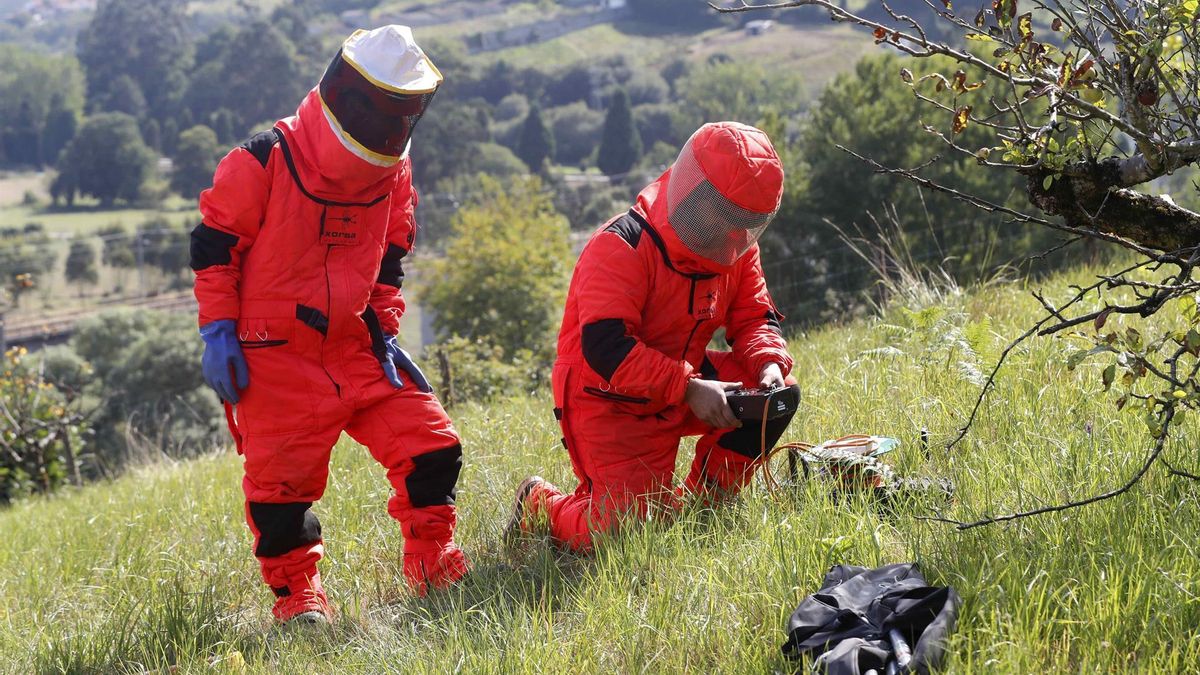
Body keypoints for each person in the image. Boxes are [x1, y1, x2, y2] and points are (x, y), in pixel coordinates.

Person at [189, 25, 467, 625]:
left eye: (406, 110)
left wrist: (385, 328)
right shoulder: (263, 158)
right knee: (280, 493)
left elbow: (392, 253)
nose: (394, 123)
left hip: (356, 343)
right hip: (273, 354)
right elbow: (214, 247)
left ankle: (432, 562)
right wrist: (218, 331)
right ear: (349, 94)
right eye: (386, 107)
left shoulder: (394, 169)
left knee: (433, 448)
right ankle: (298, 598)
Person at [506, 121, 798, 553]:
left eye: (747, 223)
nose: (736, 235)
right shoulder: (620, 245)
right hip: (607, 398)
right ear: (696, 195)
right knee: (624, 535)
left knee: (776, 397)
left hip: (687, 382)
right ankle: (540, 504)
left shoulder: (734, 246)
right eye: (728, 217)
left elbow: (755, 315)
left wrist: (769, 365)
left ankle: (706, 505)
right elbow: (607, 351)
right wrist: (688, 388)